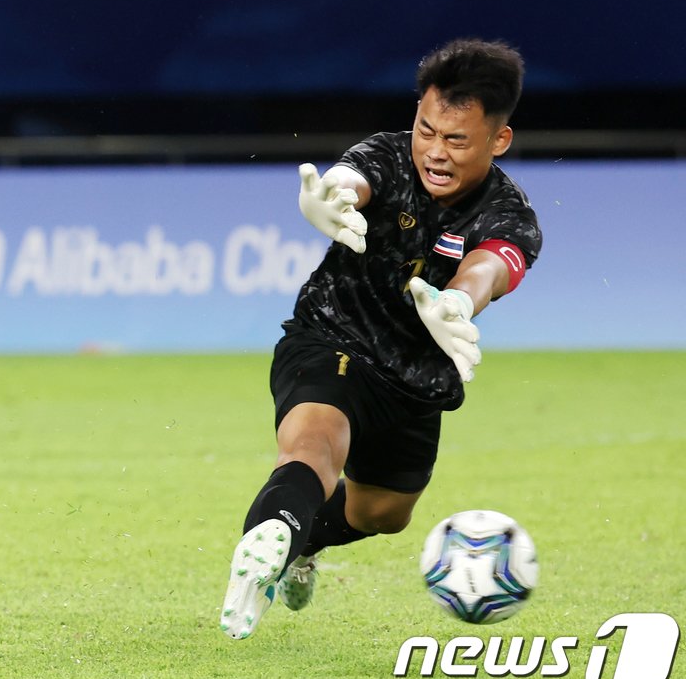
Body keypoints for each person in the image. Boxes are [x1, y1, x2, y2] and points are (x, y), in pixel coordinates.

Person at [219, 38, 542, 640]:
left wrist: (458, 302)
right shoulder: (389, 157)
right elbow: (350, 179)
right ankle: (264, 545)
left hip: (415, 379)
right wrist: (329, 198)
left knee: (383, 513)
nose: (434, 152)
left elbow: (490, 266)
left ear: (498, 140)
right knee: (314, 448)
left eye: (456, 140)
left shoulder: (509, 214)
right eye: (426, 130)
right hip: (331, 334)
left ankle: (299, 541)